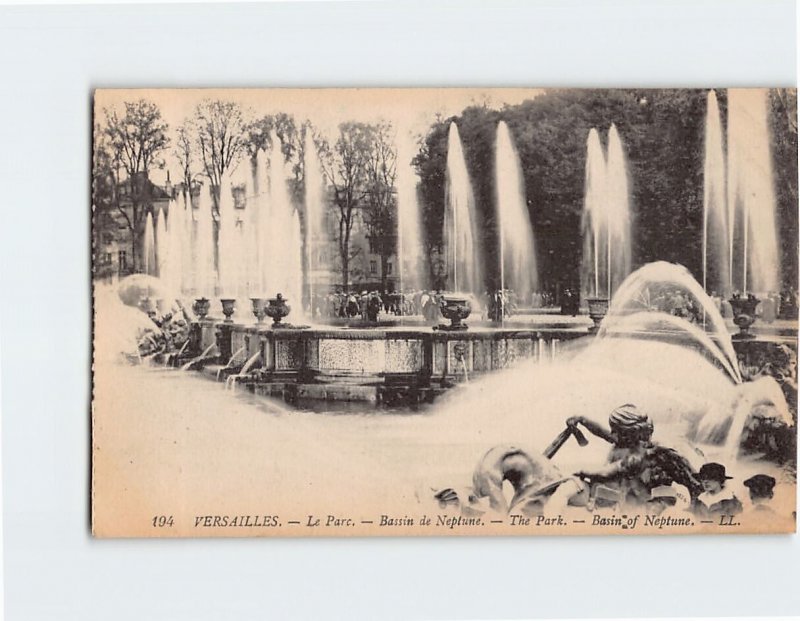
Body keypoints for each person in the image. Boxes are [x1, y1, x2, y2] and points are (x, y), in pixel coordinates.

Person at [567, 404, 703, 508]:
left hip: (650, 504)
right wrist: (582, 420)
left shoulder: (642, 454)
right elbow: (604, 433)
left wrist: (582, 471)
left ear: (629, 433)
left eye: (616, 431)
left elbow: (608, 472)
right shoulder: (630, 441)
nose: (612, 434)